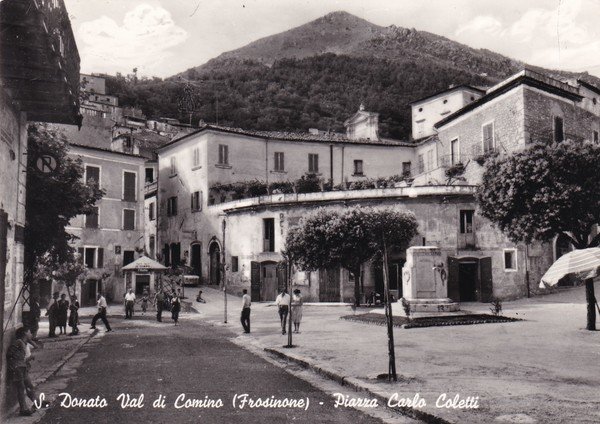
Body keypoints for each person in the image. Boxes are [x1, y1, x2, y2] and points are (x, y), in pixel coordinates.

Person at [6, 327, 37, 416]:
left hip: (22, 367)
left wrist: (30, 341)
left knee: (29, 385)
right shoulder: (19, 342)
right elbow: (11, 355)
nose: (31, 334)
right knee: (21, 388)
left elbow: (36, 346)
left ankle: (36, 402)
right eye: (29, 332)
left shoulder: (23, 342)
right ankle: (23, 409)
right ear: (24, 333)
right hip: (17, 368)